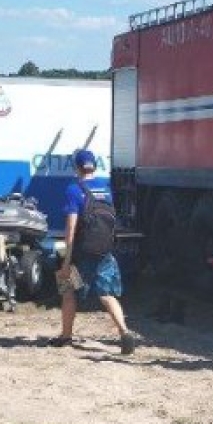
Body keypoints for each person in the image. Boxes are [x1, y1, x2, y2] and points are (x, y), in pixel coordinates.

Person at [50, 149, 141, 355]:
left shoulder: (74, 190)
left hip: (82, 251)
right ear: (93, 166)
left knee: (68, 290)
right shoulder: (106, 188)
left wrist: (66, 260)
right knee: (107, 294)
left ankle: (66, 336)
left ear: (76, 167)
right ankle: (125, 332)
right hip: (104, 250)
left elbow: (72, 227)